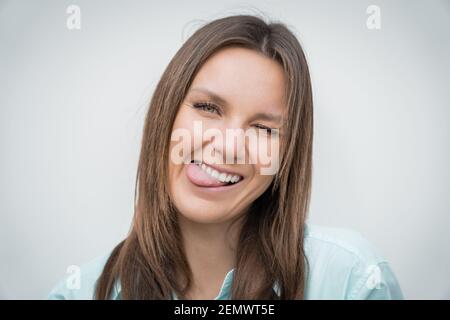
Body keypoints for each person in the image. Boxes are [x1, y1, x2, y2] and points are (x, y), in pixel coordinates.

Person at [48, 14, 403, 300]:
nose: (229, 145)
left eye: (264, 129)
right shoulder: (78, 292)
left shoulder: (353, 281)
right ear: (164, 115)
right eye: (207, 107)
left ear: (286, 157)